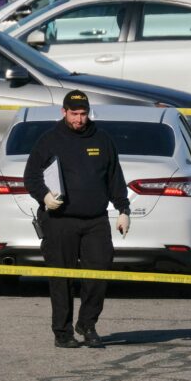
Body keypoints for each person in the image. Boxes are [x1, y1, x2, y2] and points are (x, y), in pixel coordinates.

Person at [24, 90, 130, 348]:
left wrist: (123, 210)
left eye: (83, 114)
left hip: (95, 219)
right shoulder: (49, 140)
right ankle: (62, 332)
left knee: (99, 270)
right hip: (60, 220)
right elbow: (31, 176)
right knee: (62, 278)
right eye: (74, 114)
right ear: (64, 112)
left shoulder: (102, 139)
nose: (79, 119)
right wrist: (44, 197)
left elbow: (114, 177)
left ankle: (87, 323)